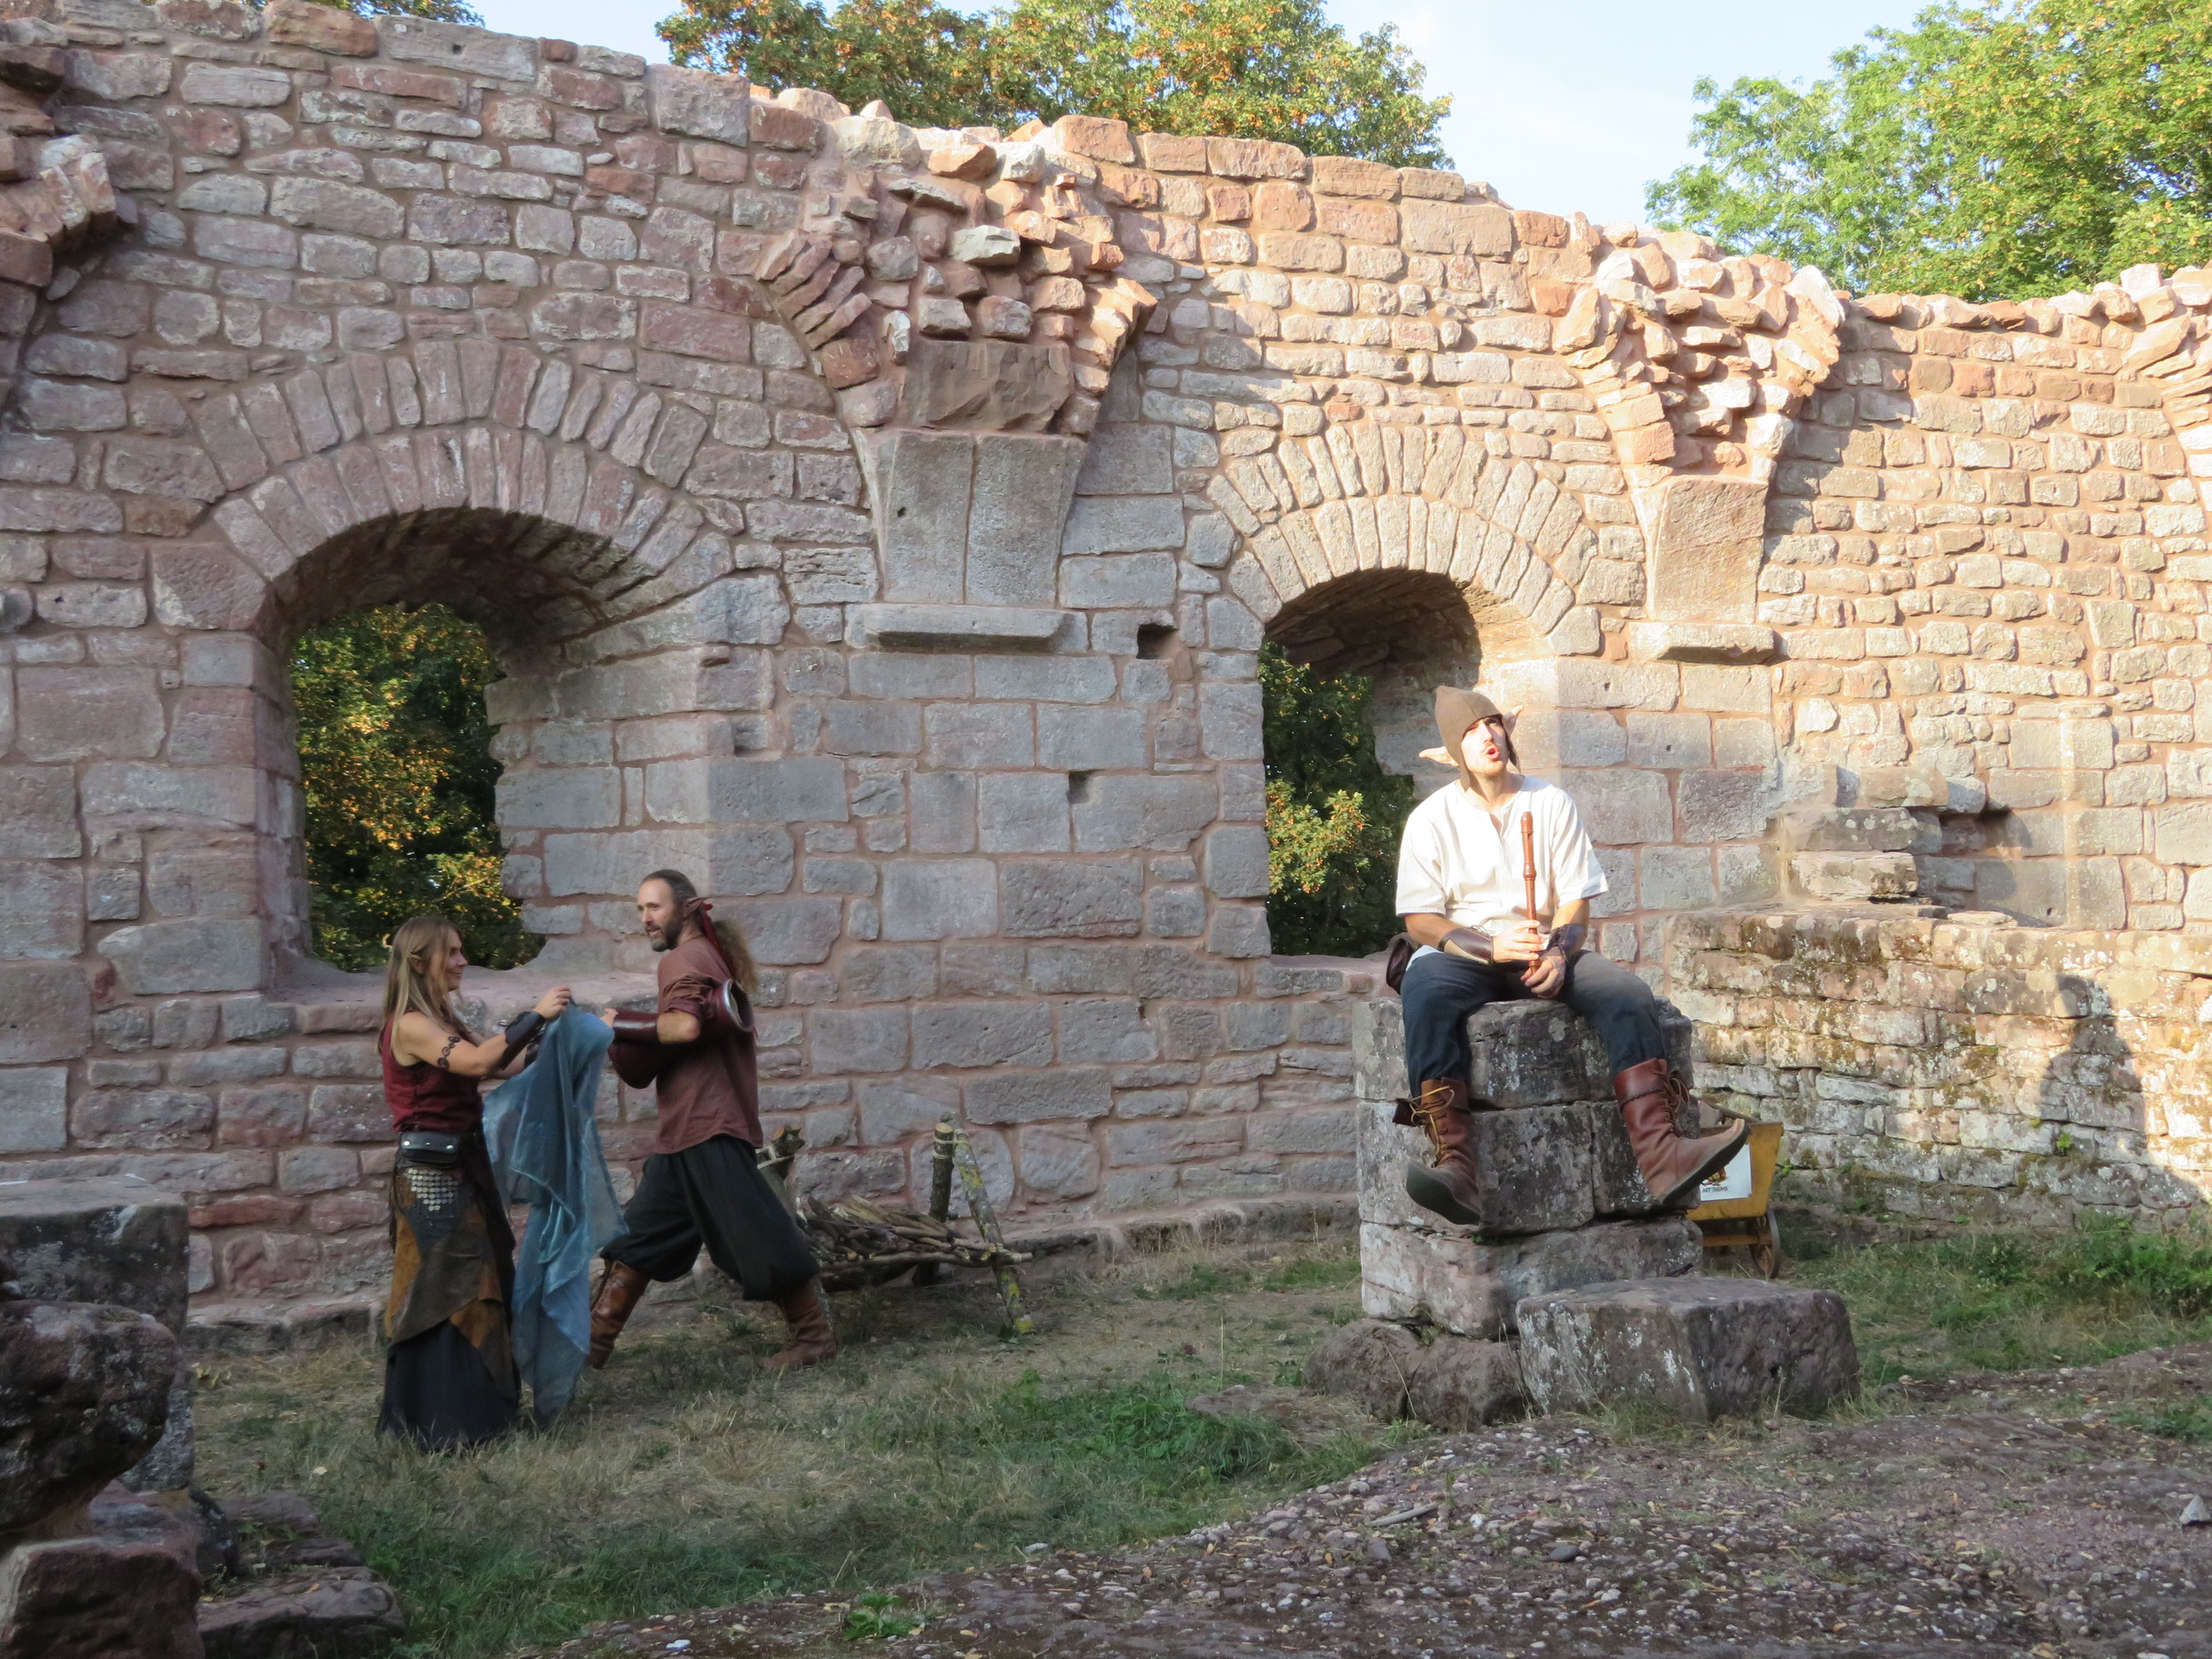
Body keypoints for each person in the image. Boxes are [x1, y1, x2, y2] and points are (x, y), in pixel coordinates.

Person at [1394, 686, 1747, 1225]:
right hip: (1464, 954)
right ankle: (1456, 1168)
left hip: (1543, 947)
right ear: (1453, 750)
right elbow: (1420, 920)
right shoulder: (1431, 818)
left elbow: (1576, 902)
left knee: (1626, 994)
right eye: (1471, 731)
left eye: (1493, 723)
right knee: (1425, 994)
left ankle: (1663, 1155)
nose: (1488, 736)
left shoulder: (1550, 802)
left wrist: (1560, 953)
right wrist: (1490, 946)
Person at [585, 869, 835, 1372]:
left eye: (654, 907)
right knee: (640, 1238)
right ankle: (588, 1347)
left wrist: (614, 1024)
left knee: (760, 1232)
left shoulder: (684, 958)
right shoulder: (707, 955)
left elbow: (683, 1027)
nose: (645, 918)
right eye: (640, 909)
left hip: (707, 1124)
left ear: (687, 908)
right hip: (687, 1128)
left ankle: (814, 1339)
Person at [378, 914, 571, 1450]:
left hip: (463, 1166)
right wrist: (535, 1014)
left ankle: (476, 1417)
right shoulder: (410, 1024)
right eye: (453, 953)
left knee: (480, 1283)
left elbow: (502, 1064)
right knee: (449, 1291)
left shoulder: (441, 1018)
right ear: (420, 961)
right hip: (432, 1177)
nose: (463, 961)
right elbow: (477, 1063)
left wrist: (563, 1034)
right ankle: (445, 1424)